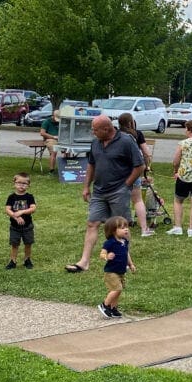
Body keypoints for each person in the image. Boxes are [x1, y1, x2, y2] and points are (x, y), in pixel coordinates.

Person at [65, 115, 143, 272]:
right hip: (99, 191)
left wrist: (126, 185)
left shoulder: (126, 141)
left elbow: (140, 166)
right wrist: (86, 187)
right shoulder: (95, 143)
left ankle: (125, 262)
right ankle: (84, 262)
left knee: (121, 228)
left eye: (95, 130)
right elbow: (91, 166)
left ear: (107, 129)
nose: (93, 133)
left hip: (119, 191)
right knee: (92, 223)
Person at [117, 113, 154, 236]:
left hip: (118, 171)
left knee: (120, 200)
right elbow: (146, 152)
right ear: (130, 122)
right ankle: (144, 228)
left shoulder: (116, 134)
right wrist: (147, 166)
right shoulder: (137, 134)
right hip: (134, 170)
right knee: (137, 200)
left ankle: (119, 227)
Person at [98, 215, 135, 318]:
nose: (126, 229)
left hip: (121, 271)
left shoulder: (124, 242)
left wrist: (130, 264)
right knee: (116, 289)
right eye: (122, 228)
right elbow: (102, 254)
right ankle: (105, 305)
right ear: (114, 231)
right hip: (111, 272)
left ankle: (113, 308)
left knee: (119, 290)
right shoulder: (110, 243)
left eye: (126, 227)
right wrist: (107, 256)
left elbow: (126, 253)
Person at [5, 172, 37, 269]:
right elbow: (7, 209)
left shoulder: (29, 197)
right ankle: (13, 261)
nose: (21, 185)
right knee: (14, 244)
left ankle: (27, 260)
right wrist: (16, 216)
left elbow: (33, 208)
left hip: (27, 226)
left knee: (28, 243)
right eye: (19, 183)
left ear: (28, 185)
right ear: (14, 183)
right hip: (14, 227)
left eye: (24, 183)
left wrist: (22, 212)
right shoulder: (11, 197)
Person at [40, 107, 61, 174]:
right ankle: (51, 170)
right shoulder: (46, 121)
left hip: (61, 139)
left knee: (68, 152)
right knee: (54, 152)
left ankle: (67, 168)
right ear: (53, 116)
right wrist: (53, 137)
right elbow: (42, 133)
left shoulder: (62, 121)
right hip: (50, 139)